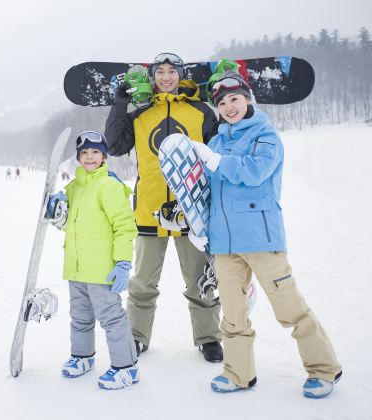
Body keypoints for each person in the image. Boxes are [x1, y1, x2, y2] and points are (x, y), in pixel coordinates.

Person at [188, 70, 342, 398]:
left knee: (290, 309)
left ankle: (324, 369)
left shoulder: (265, 136)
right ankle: (238, 373)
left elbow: (255, 172)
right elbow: (208, 192)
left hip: (261, 238)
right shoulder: (215, 141)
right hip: (225, 244)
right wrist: (195, 223)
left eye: (234, 99)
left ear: (247, 99)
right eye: (222, 103)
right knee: (232, 315)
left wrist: (216, 161)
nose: (229, 107)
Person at [105, 52, 223, 362]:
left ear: (181, 75)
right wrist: (120, 103)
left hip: (192, 210)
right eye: (160, 72)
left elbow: (220, 155)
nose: (167, 77)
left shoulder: (201, 112)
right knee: (142, 283)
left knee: (200, 281)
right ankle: (137, 336)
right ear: (153, 78)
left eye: (172, 71)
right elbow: (115, 145)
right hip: (149, 210)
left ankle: (209, 337)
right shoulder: (141, 115)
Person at [44, 130, 139, 390]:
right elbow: (70, 225)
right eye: (84, 153)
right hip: (76, 268)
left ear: (104, 156)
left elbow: (124, 227)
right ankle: (83, 357)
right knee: (80, 317)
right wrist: (57, 213)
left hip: (102, 270)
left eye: (95, 152)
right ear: (78, 157)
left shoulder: (108, 186)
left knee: (111, 318)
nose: (89, 157)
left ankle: (126, 367)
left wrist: (122, 263)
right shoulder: (74, 186)